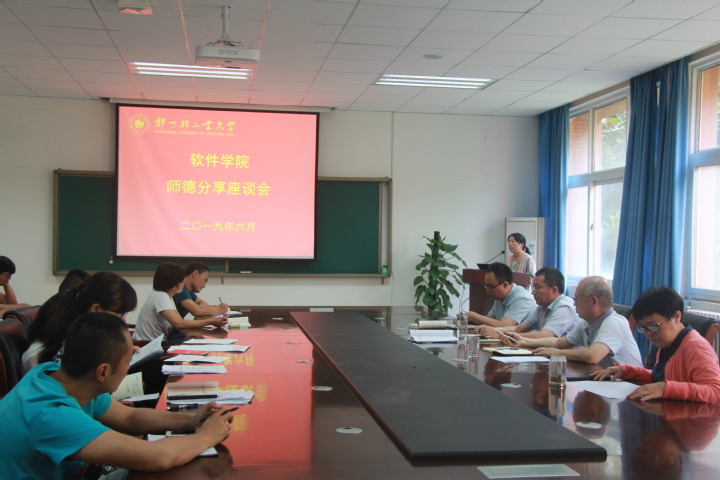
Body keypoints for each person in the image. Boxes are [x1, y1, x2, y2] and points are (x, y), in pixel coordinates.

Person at [0, 312, 233, 478]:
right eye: (128, 360)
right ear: (103, 372)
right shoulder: (51, 415)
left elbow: (128, 418)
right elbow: (158, 457)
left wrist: (192, 420)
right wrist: (206, 437)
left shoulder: (55, 375)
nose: (130, 364)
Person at [592, 287, 720, 405]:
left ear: (676, 316)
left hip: (693, 419)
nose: (649, 333)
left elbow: (715, 391)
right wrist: (627, 370)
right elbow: (661, 378)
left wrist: (666, 388)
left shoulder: (696, 347)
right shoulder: (668, 345)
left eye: (653, 325)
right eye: (643, 327)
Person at [501, 276, 642, 366]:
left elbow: (592, 355)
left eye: (577, 299)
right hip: (603, 381)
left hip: (627, 387)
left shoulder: (614, 322)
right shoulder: (586, 322)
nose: (574, 303)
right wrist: (523, 342)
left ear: (593, 301)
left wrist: (555, 353)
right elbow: (559, 342)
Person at [23, 271, 138, 373]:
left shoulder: (84, 333)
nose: (124, 320)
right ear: (96, 309)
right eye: (121, 314)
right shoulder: (53, 350)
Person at [133, 262, 227, 342]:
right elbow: (179, 324)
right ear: (174, 286)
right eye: (183, 281)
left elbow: (182, 327)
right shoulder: (161, 296)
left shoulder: (167, 296)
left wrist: (203, 335)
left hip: (159, 343)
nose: (184, 283)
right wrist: (210, 321)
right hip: (148, 347)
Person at [477, 267, 578, 339]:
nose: (533, 292)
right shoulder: (541, 307)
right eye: (533, 287)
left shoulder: (564, 308)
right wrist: (494, 330)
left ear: (554, 289)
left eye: (538, 287)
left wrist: (500, 335)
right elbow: (518, 329)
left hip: (569, 361)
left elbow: (543, 335)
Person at [464, 262, 534, 328]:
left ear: (505, 285)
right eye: (486, 286)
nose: (487, 290)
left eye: (491, 287)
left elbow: (504, 326)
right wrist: (468, 320)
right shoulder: (500, 298)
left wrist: (472, 315)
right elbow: (490, 320)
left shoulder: (521, 298)